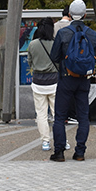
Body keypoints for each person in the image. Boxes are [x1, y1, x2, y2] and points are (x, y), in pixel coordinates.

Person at [49, 0, 96, 162]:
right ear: (85, 15)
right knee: (83, 116)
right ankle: (80, 152)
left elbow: (54, 57)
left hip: (66, 78)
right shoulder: (92, 34)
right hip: (84, 79)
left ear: (70, 15)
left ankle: (59, 152)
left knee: (60, 116)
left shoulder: (63, 33)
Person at [27, 17, 59, 151]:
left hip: (38, 82)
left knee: (41, 114)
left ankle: (45, 142)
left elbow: (30, 62)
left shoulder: (33, 44)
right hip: (54, 82)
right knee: (58, 113)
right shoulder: (56, 43)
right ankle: (62, 140)